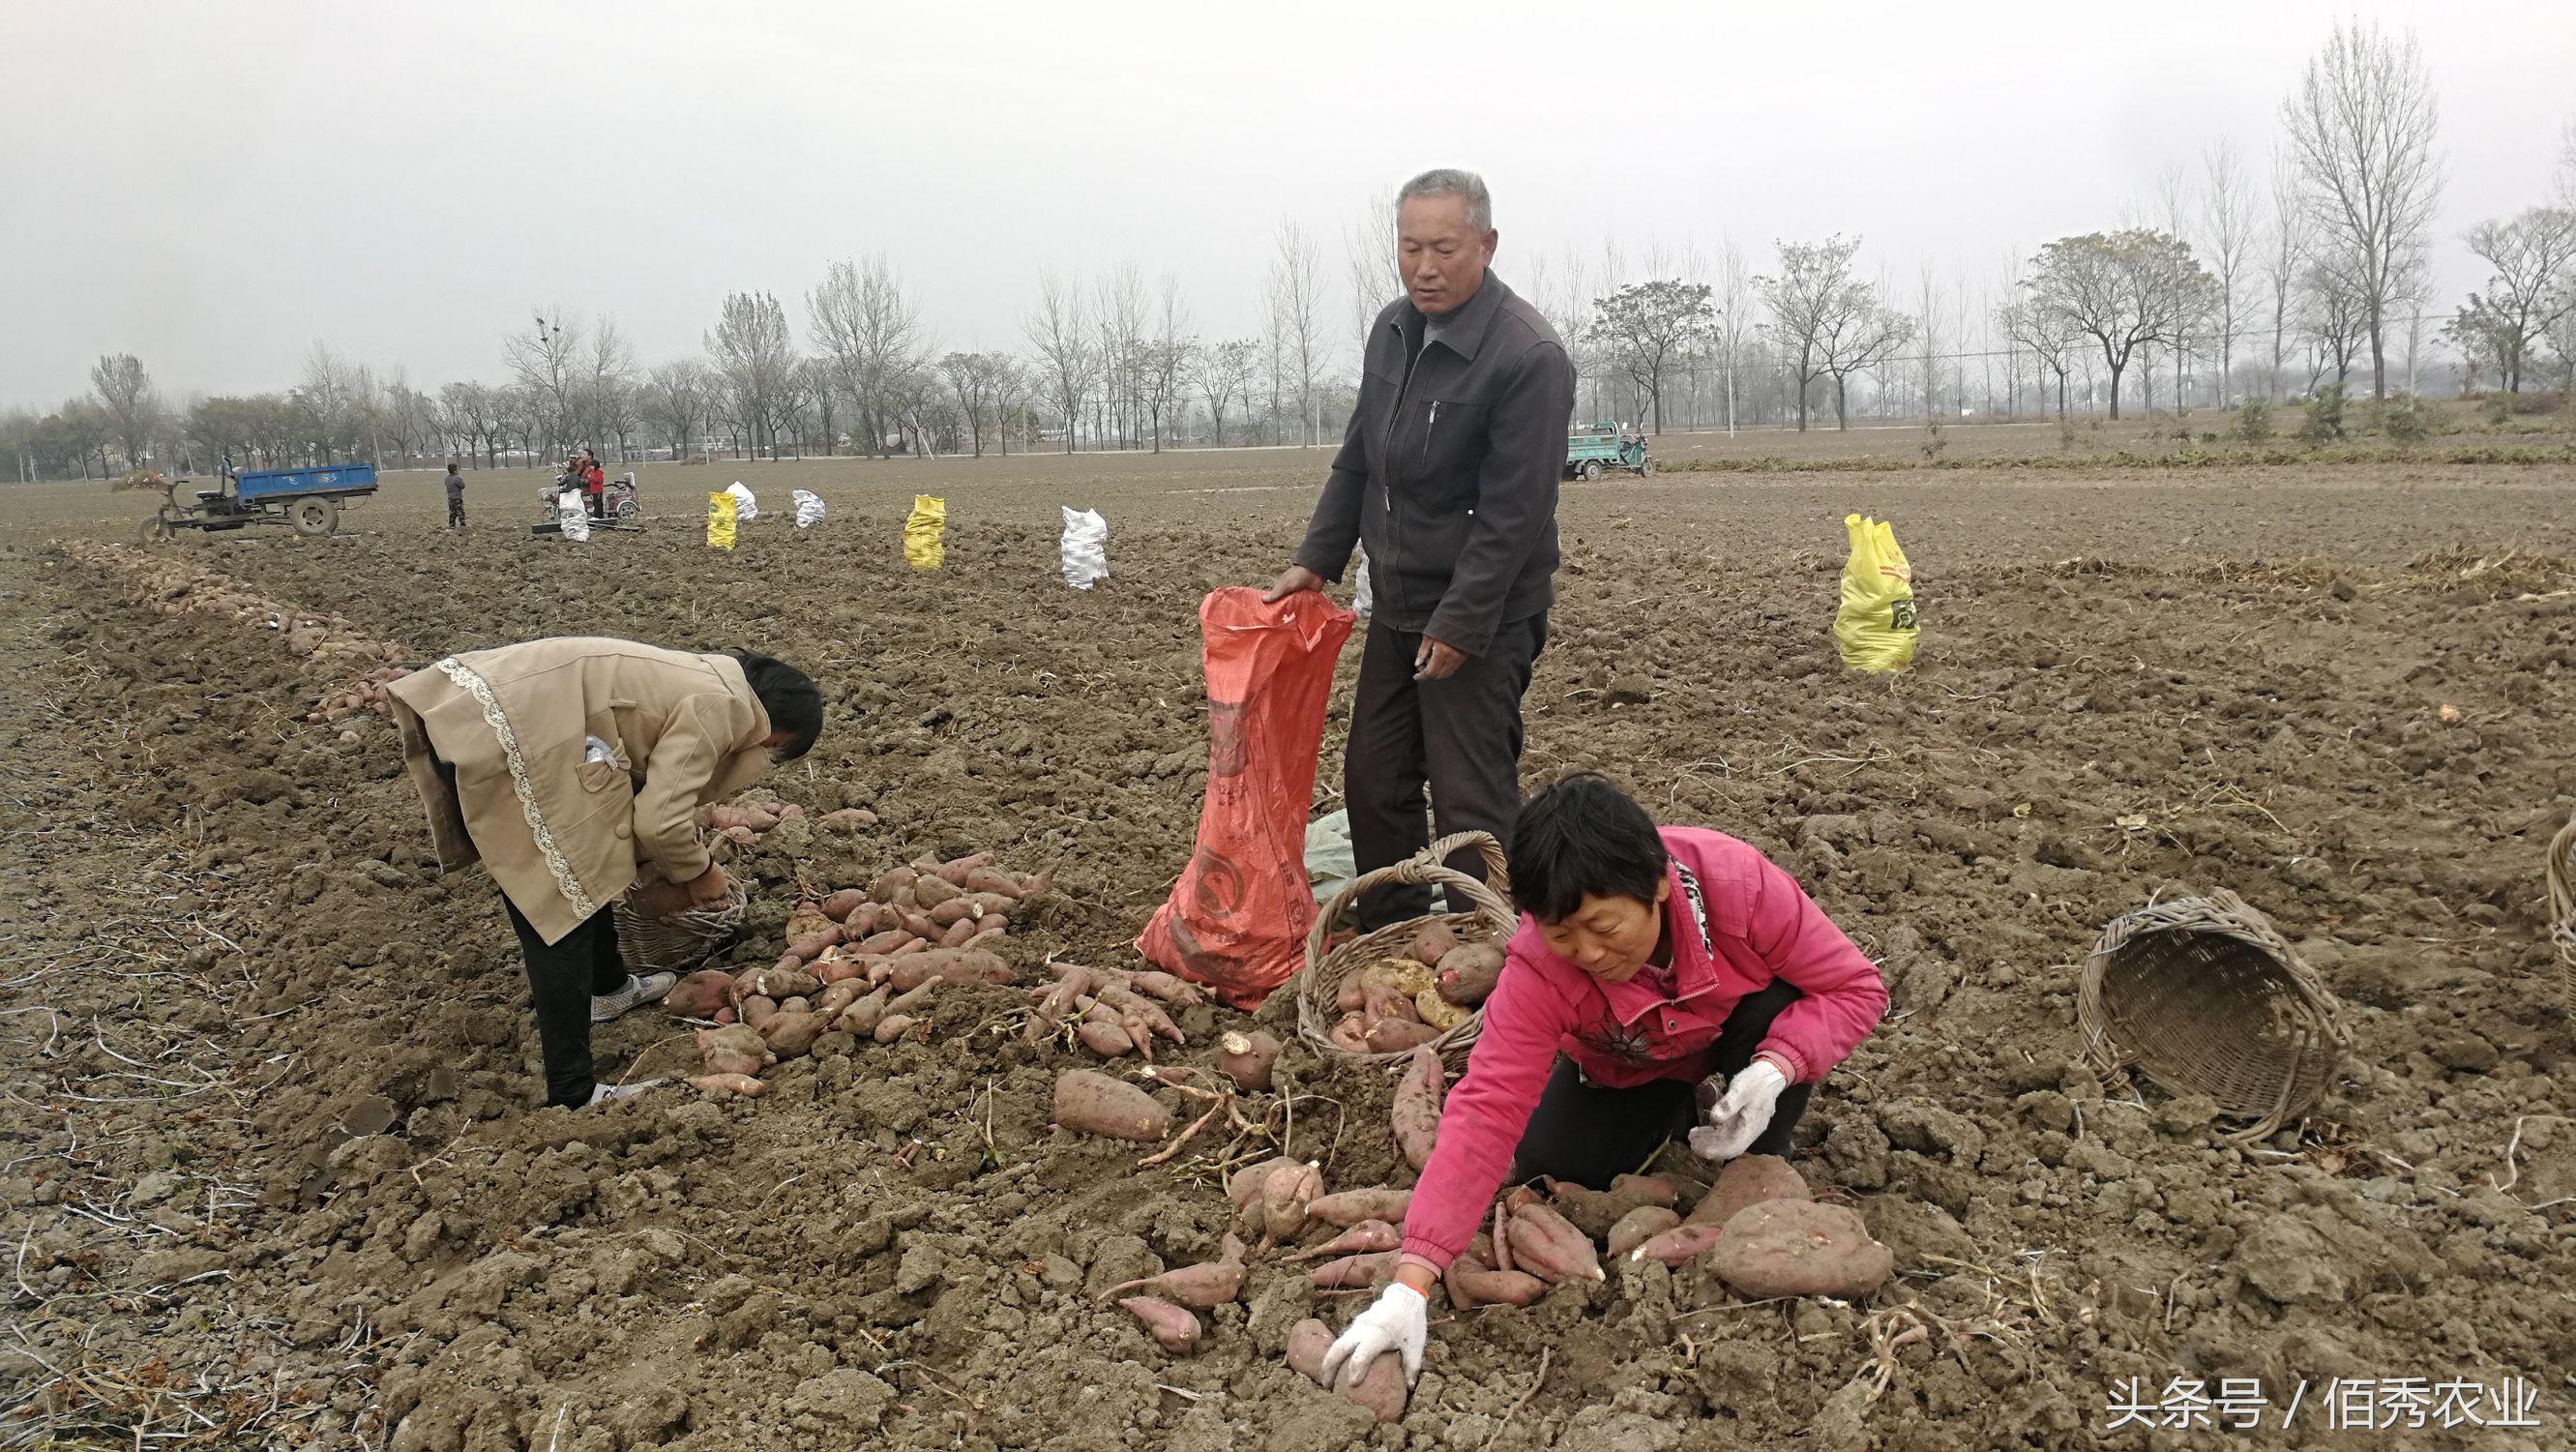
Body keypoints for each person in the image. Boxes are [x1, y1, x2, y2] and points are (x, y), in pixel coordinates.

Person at [1318, 773, 1889, 1389]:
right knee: (1550, 1160)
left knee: (1778, 1011)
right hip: (1630, 1061)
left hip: (1740, 1039)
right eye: (1564, 935)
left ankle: (1753, 1159)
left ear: (1658, 888)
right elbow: (1486, 1108)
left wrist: (1778, 1065)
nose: (1589, 953)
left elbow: (1856, 989)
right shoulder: (1537, 970)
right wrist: (1410, 1285)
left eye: (1604, 928)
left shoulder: (1739, 886)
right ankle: (1678, 1105)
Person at [1265, 168, 1573, 929]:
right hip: (1398, 601)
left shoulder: (1526, 355)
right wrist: (1317, 556)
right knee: (1373, 779)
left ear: (1486, 244)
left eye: (1443, 248)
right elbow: (1360, 456)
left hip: (1483, 615)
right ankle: (1397, 930)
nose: (1424, 267)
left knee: (1468, 793)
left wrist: (1461, 623)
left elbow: (1516, 512)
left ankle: (1487, 944)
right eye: (1409, 248)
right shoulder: (1393, 330)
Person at [385, 638, 825, 1109]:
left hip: (490, 705)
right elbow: (660, 820)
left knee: (580, 868)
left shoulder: (709, 676)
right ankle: (573, 1090)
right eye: (777, 749)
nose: (766, 752)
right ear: (778, 732)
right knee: (558, 907)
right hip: (510, 730)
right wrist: (701, 872)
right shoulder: (723, 706)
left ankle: (607, 989)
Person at [444, 460, 466, 530]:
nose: (458, 470)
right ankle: (463, 524)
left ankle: (452, 524)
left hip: (450, 498)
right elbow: (463, 486)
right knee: (460, 511)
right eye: (457, 469)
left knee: (452, 512)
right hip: (457, 498)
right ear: (454, 471)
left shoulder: (446, 479)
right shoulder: (457, 478)